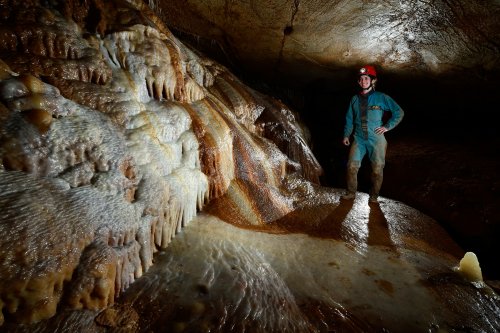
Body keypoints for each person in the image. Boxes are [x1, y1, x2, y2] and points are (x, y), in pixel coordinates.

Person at [341, 65, 404, 203]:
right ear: (358, 82)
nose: (364, 81)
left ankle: (374, 196)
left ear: (372, 81)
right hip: (359, 139)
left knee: (377, 169)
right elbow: (349, 119)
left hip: (376, 139)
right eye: (361, 79)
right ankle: (351, 193)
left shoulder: (381, 97)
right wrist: (346, 135)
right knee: (352, 166)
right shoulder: (354, 99)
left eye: (366, 78)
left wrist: (387, 127)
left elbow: (399, 112)